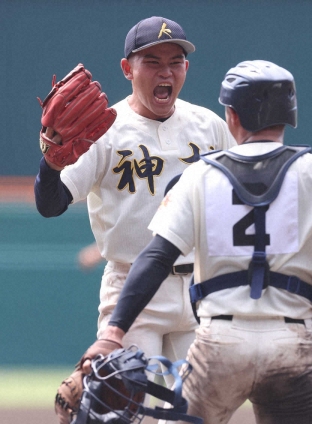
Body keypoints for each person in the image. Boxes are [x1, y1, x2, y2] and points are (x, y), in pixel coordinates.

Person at [79, 59, 312, 424]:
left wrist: (114, 332)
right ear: (290, 113)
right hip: (291, 342)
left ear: (231, 116)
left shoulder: (199, 176)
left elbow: (156, 257)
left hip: (220, 342)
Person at [34, 16, 237, 380]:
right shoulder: (104, 130)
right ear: (128, 69)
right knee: (122, 405)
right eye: (153, 62)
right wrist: (49, 164)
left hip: (199, 288)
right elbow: (50, 205)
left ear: (186, 68)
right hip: (131, 290)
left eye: (175, 62)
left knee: (199, 412)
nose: (166, 72)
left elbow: (249, 189)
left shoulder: (210, 126)